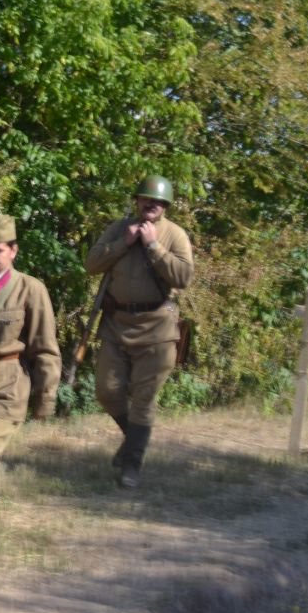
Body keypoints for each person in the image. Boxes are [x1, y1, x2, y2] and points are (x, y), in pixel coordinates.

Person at [85, 175, 194, 488]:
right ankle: (134, 441)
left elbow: (184, 276)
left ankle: (132, 463)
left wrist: (154, 247)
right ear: (137, 201)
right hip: (117, 323)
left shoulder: (175, 235)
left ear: (165, 207)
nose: (151, 205)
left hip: (158, 327)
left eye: (158, 202)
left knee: (144, 399)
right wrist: (125, 243)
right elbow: (91, 264)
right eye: (146, 199)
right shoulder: (120, 228)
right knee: (106, 391)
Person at [0, 215, 61, 563]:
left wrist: (45, 399)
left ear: (13, 251)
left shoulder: (30, 290)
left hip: (7, 387)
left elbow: (45, 347)